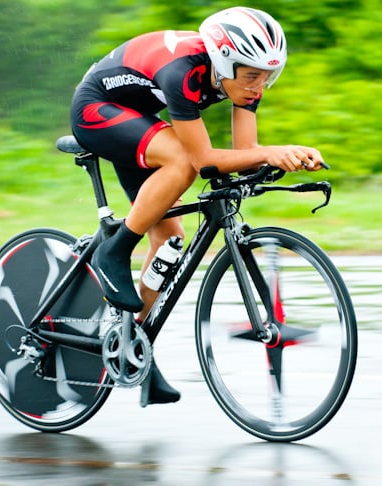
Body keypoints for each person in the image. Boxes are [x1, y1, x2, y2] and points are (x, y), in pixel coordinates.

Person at [70, 7, 324, 404]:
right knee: (182, 161)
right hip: (96, 109)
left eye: (269, 76)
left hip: (138, 117)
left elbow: (245, 153)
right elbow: (204, 160)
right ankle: (113, 251)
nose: (260, 86)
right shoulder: (183, 71)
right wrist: (272, 153)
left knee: (170, 240)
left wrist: (280, 159)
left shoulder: (242, 81)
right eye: (254, 75)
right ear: (224, 60)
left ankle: (132, 344)